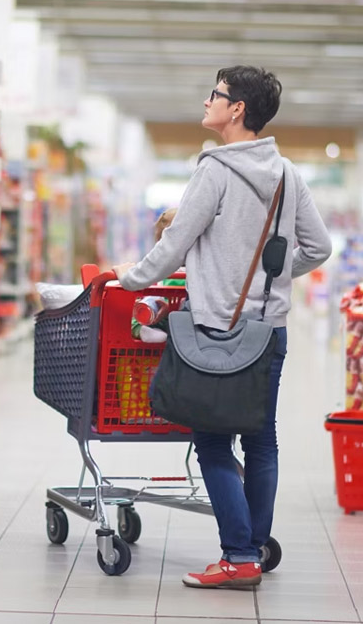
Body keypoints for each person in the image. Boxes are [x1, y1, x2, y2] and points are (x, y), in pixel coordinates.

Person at [112, 66, 332, 589]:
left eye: (216, 94)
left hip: (216, 328)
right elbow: (319, 247)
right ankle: (252, 547)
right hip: (267, 330)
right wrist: (270, 279)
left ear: (236, 110)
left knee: (212, 444)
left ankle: (238, 557)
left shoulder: (214, 170)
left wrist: (131, 278)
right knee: (261, 441)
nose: (207, 101)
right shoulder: (286, 174)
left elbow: (175, 246)